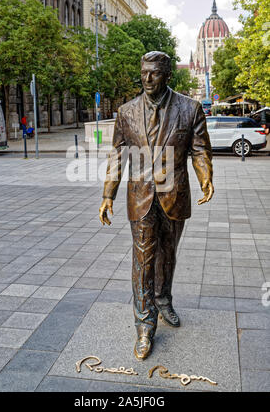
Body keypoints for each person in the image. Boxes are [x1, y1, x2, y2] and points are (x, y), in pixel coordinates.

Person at [99, 51, 214, 361]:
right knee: (144, 258)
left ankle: (164, 300)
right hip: (141, 197)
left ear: (167, 76)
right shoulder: (126, 112)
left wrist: (206, 178)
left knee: (168, 255)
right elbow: (117, 156)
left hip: (175, 195)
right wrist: (108, 194)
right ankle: (145, 325)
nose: (147, 78)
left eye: (154, 73)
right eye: (144, 72)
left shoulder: (190, 109)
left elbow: (200, 150)